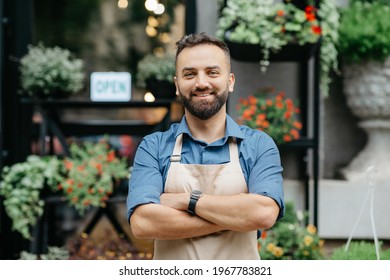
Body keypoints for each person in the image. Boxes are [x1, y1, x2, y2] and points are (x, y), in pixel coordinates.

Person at [126, 32, 284, 260]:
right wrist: (234, 218)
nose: (201, 83)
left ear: (230, 81)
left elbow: (264, 213)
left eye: (212, 72)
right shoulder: (154, 147)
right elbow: (143, 223)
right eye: (189, 74)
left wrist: (186, 201)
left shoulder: (258, 146)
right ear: (177, 85)